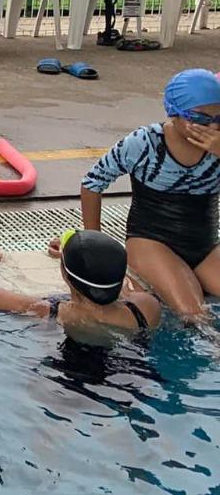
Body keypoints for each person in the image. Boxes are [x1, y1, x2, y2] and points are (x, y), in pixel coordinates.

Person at [80, 68, 220, 325]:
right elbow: (92, 183)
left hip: (204, 244)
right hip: (152, 241)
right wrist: (94, 244)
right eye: (199, 119)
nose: (211, 127)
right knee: (195, 316)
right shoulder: (144, 143)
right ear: (174, 113)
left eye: (219, 118)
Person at [0, 232, 161, 341]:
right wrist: (75, 258)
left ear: (65, 276)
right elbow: (117, 278)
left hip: (66, 388)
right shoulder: (147, 308)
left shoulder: (47, 311)